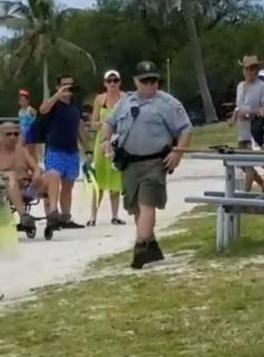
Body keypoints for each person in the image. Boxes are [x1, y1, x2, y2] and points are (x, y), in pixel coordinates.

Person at [101, 61, 192, 269]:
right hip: (130, 163)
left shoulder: (168, 104)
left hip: (154, 162)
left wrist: (178, 152)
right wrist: (105, 140)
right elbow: (109, 122)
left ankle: (140, 246)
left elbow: (186, 129)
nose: (150, 85)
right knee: (135, 207)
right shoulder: (125, 102)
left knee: (147, 204)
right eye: (145, 81)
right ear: (136, 81)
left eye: (154, 81)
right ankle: (151, 246)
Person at [39, 74, 88, 230]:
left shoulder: (75, 106)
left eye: (70, 85)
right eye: (64, 85)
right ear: (58, 87)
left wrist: (87, 149)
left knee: (68, 186)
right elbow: (43, 109)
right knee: (52, 184)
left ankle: (65, 217)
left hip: (72, 151)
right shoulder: (54, 105)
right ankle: (51, 217)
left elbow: (79, 128)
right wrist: (57, 95)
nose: (68, 88)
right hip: (55, 150)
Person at [0, 121, 59, 232]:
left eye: (16, 134)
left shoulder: (22, 150)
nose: (13, 137)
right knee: (11, 176)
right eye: (8, 134)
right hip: (6, 191)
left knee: (53, 174)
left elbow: (36, 167)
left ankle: (53, 213)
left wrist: (36, 175)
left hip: (28, 187)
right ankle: (24, 216)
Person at [87, 70, 126, 226]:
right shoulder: (99, 99)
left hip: (118, 142)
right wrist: (106, 125)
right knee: (99, 177)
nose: (112, 84)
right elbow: (93, 123)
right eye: (109, 81)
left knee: (115, 176)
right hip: (101, 142)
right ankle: (93, 216)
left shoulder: (125, 98)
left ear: (120, 82)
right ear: (104, 83)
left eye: (115, 80)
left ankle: (115, 215)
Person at [232, 55, 264, 190]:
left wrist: (250, 113)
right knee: (242, 162)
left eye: (252, 69)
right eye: (246, 69)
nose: (249, 72)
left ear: (256, 70)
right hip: (242, 128)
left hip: (254, 127)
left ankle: (245, 193)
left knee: (248, 162)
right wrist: (234, 116)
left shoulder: (262, 87)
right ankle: (263, 185)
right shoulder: (240, 86)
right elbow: (238, 105)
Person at [16, 89, 38, 161]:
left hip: (30, 132)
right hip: (23, 132)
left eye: (23, 100)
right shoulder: (20, 111)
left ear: (27, 101)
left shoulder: (31, 110)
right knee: (21, 150)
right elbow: (20, 122)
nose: (22, 102)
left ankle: (35, 164)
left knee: (31, 152)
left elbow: (36, 120)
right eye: (20, 101)